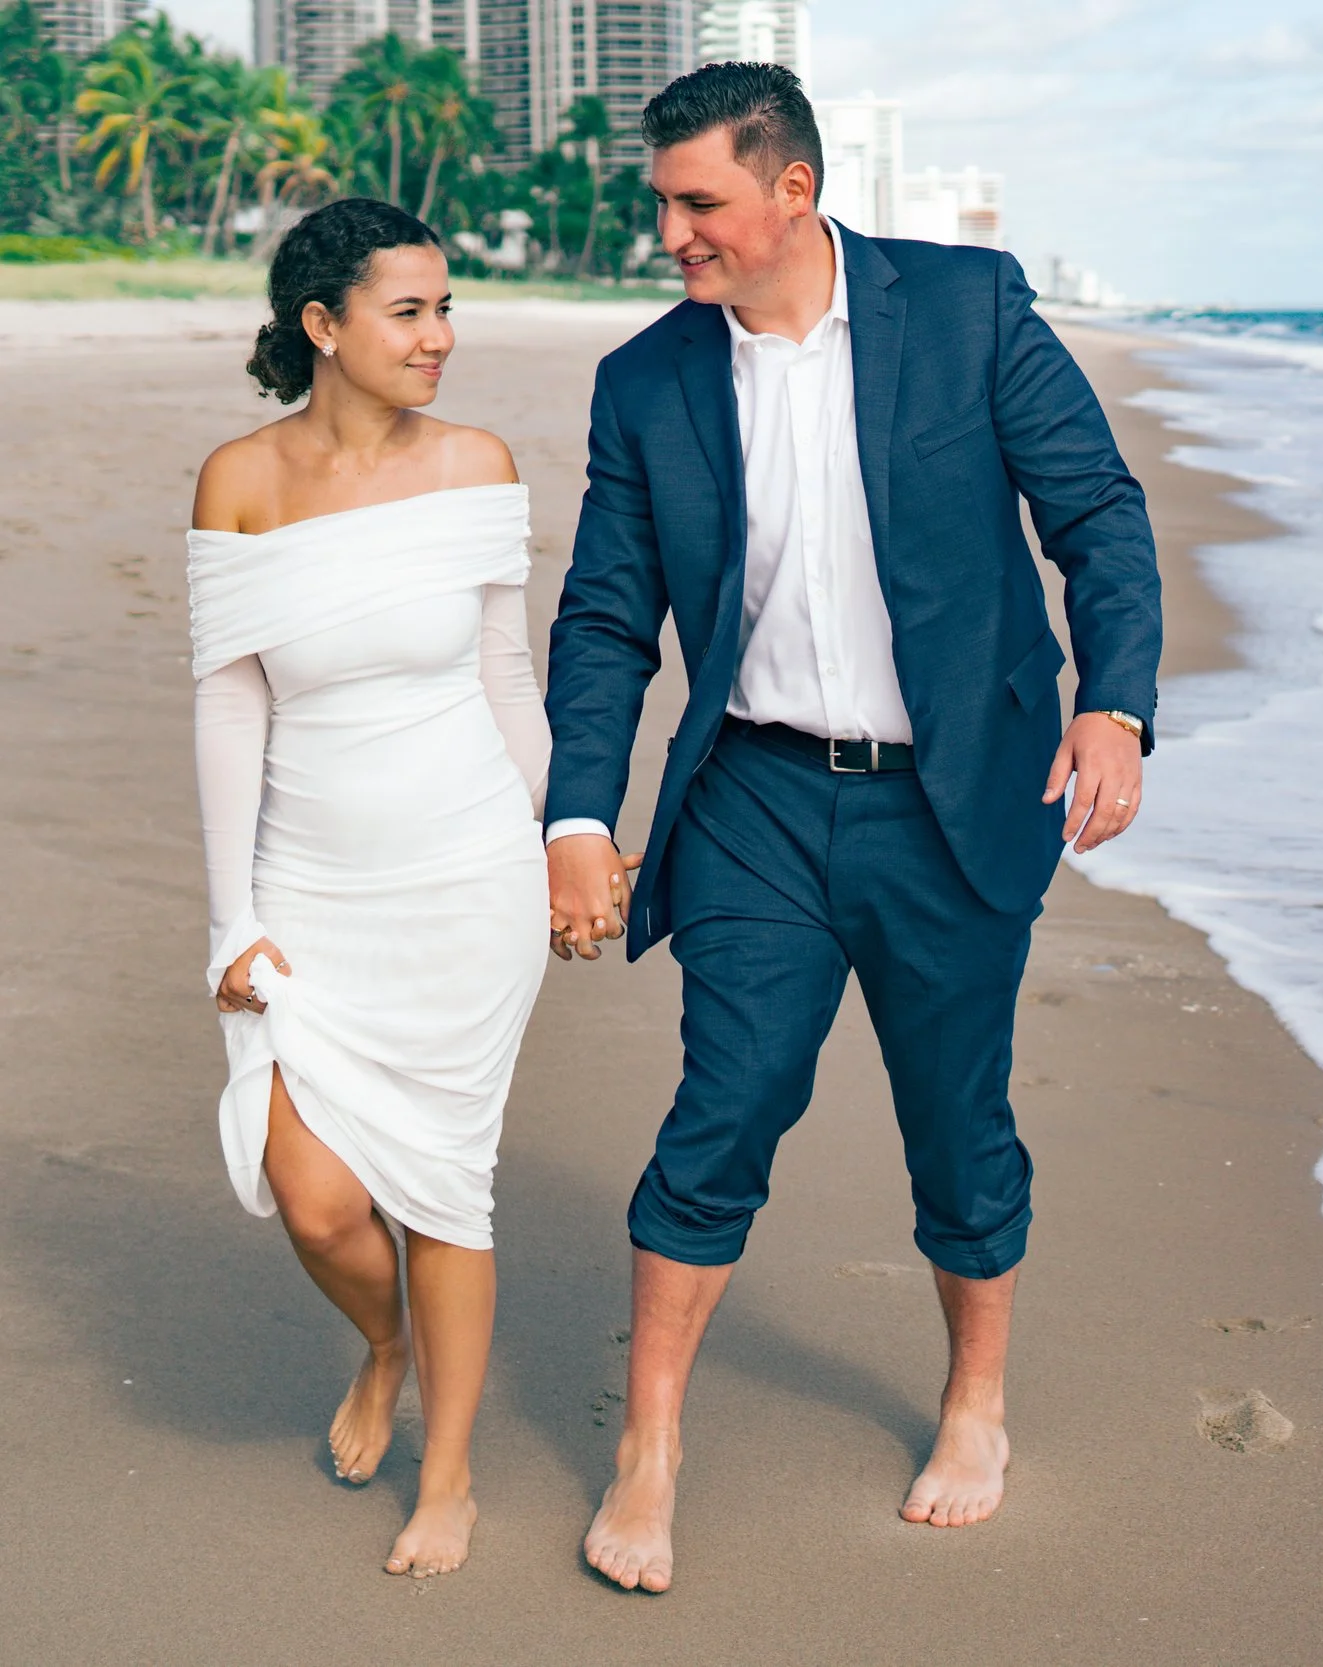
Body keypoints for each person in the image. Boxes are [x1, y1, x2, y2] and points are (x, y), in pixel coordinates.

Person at [543, 62, 1161, 1592]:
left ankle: (976, 1405)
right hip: (752, 795)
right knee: (726, 1102)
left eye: (699, 202)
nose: (671, 233)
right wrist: (574, 810)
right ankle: (652, 1443)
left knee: (958, 1122)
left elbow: (1097, 515)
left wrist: (1115, 705)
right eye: (664, 203)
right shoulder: (646, 380)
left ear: (793, 192)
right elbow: (609, 617)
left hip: (954, 801)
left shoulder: (967, 312)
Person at [187, 198, 550, 1580]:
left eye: (447, 308)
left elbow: (505, 680)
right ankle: (384, 1342)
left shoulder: (476, 464)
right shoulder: (239, 480)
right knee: (319, 1197)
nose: (440, 337)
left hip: (468, 877)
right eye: (411, 312)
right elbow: (230, 710)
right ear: (323, 326)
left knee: (450, 1192)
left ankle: (447, 1471)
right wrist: (237, 916)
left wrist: (552, 837)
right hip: (311, 890)